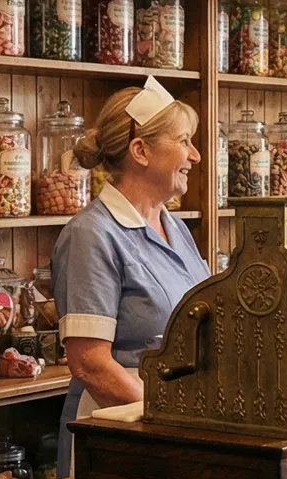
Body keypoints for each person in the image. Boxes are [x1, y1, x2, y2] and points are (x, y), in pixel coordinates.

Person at [50, 79, 211, 453]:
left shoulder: (175, 227)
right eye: (184, 141)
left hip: (181, 426)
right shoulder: (91, 234)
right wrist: (169, 419)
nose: (195, 156)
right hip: (121, 436)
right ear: (141, 151)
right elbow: (90, 364)